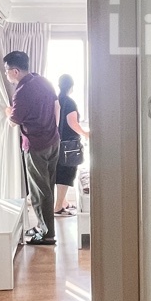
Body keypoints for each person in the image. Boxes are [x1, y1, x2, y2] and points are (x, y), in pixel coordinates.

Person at [3, 50, 60, 245]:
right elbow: (57, 107)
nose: (6, 75)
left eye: (7, 71)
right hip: (53, 140)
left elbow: (13, 122)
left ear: (15, 71)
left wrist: (8, 112)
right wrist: (52, 129)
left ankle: (47, 234)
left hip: (36, 145)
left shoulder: (22, 92)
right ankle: (44, 226)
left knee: (39, 191)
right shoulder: (43, 80)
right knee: (48, 187)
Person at [54, 74, 89, 216]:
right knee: (66, 174)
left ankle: (63, 202)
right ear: (71, 87)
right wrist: (85, 133)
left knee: (60, 172)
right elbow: (72, 123)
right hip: (69, 145)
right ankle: (58, 207)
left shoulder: (56, 99)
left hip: (57, 142)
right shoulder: (69, 102)